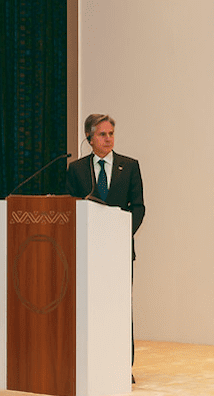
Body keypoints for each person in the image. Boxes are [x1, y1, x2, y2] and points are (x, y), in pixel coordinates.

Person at [66, 113, 145, 381]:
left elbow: (139, 207)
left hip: (119, 250)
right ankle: (91, 363)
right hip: (87, 251)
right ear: (89, 138)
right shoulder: (76, 170)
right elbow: (70, 208)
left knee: (119, 308)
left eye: (111, 133)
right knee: (89, 308)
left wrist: (122, 234)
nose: (108, 138)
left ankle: (124, 366)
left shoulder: (129, 166)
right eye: (102, 134)